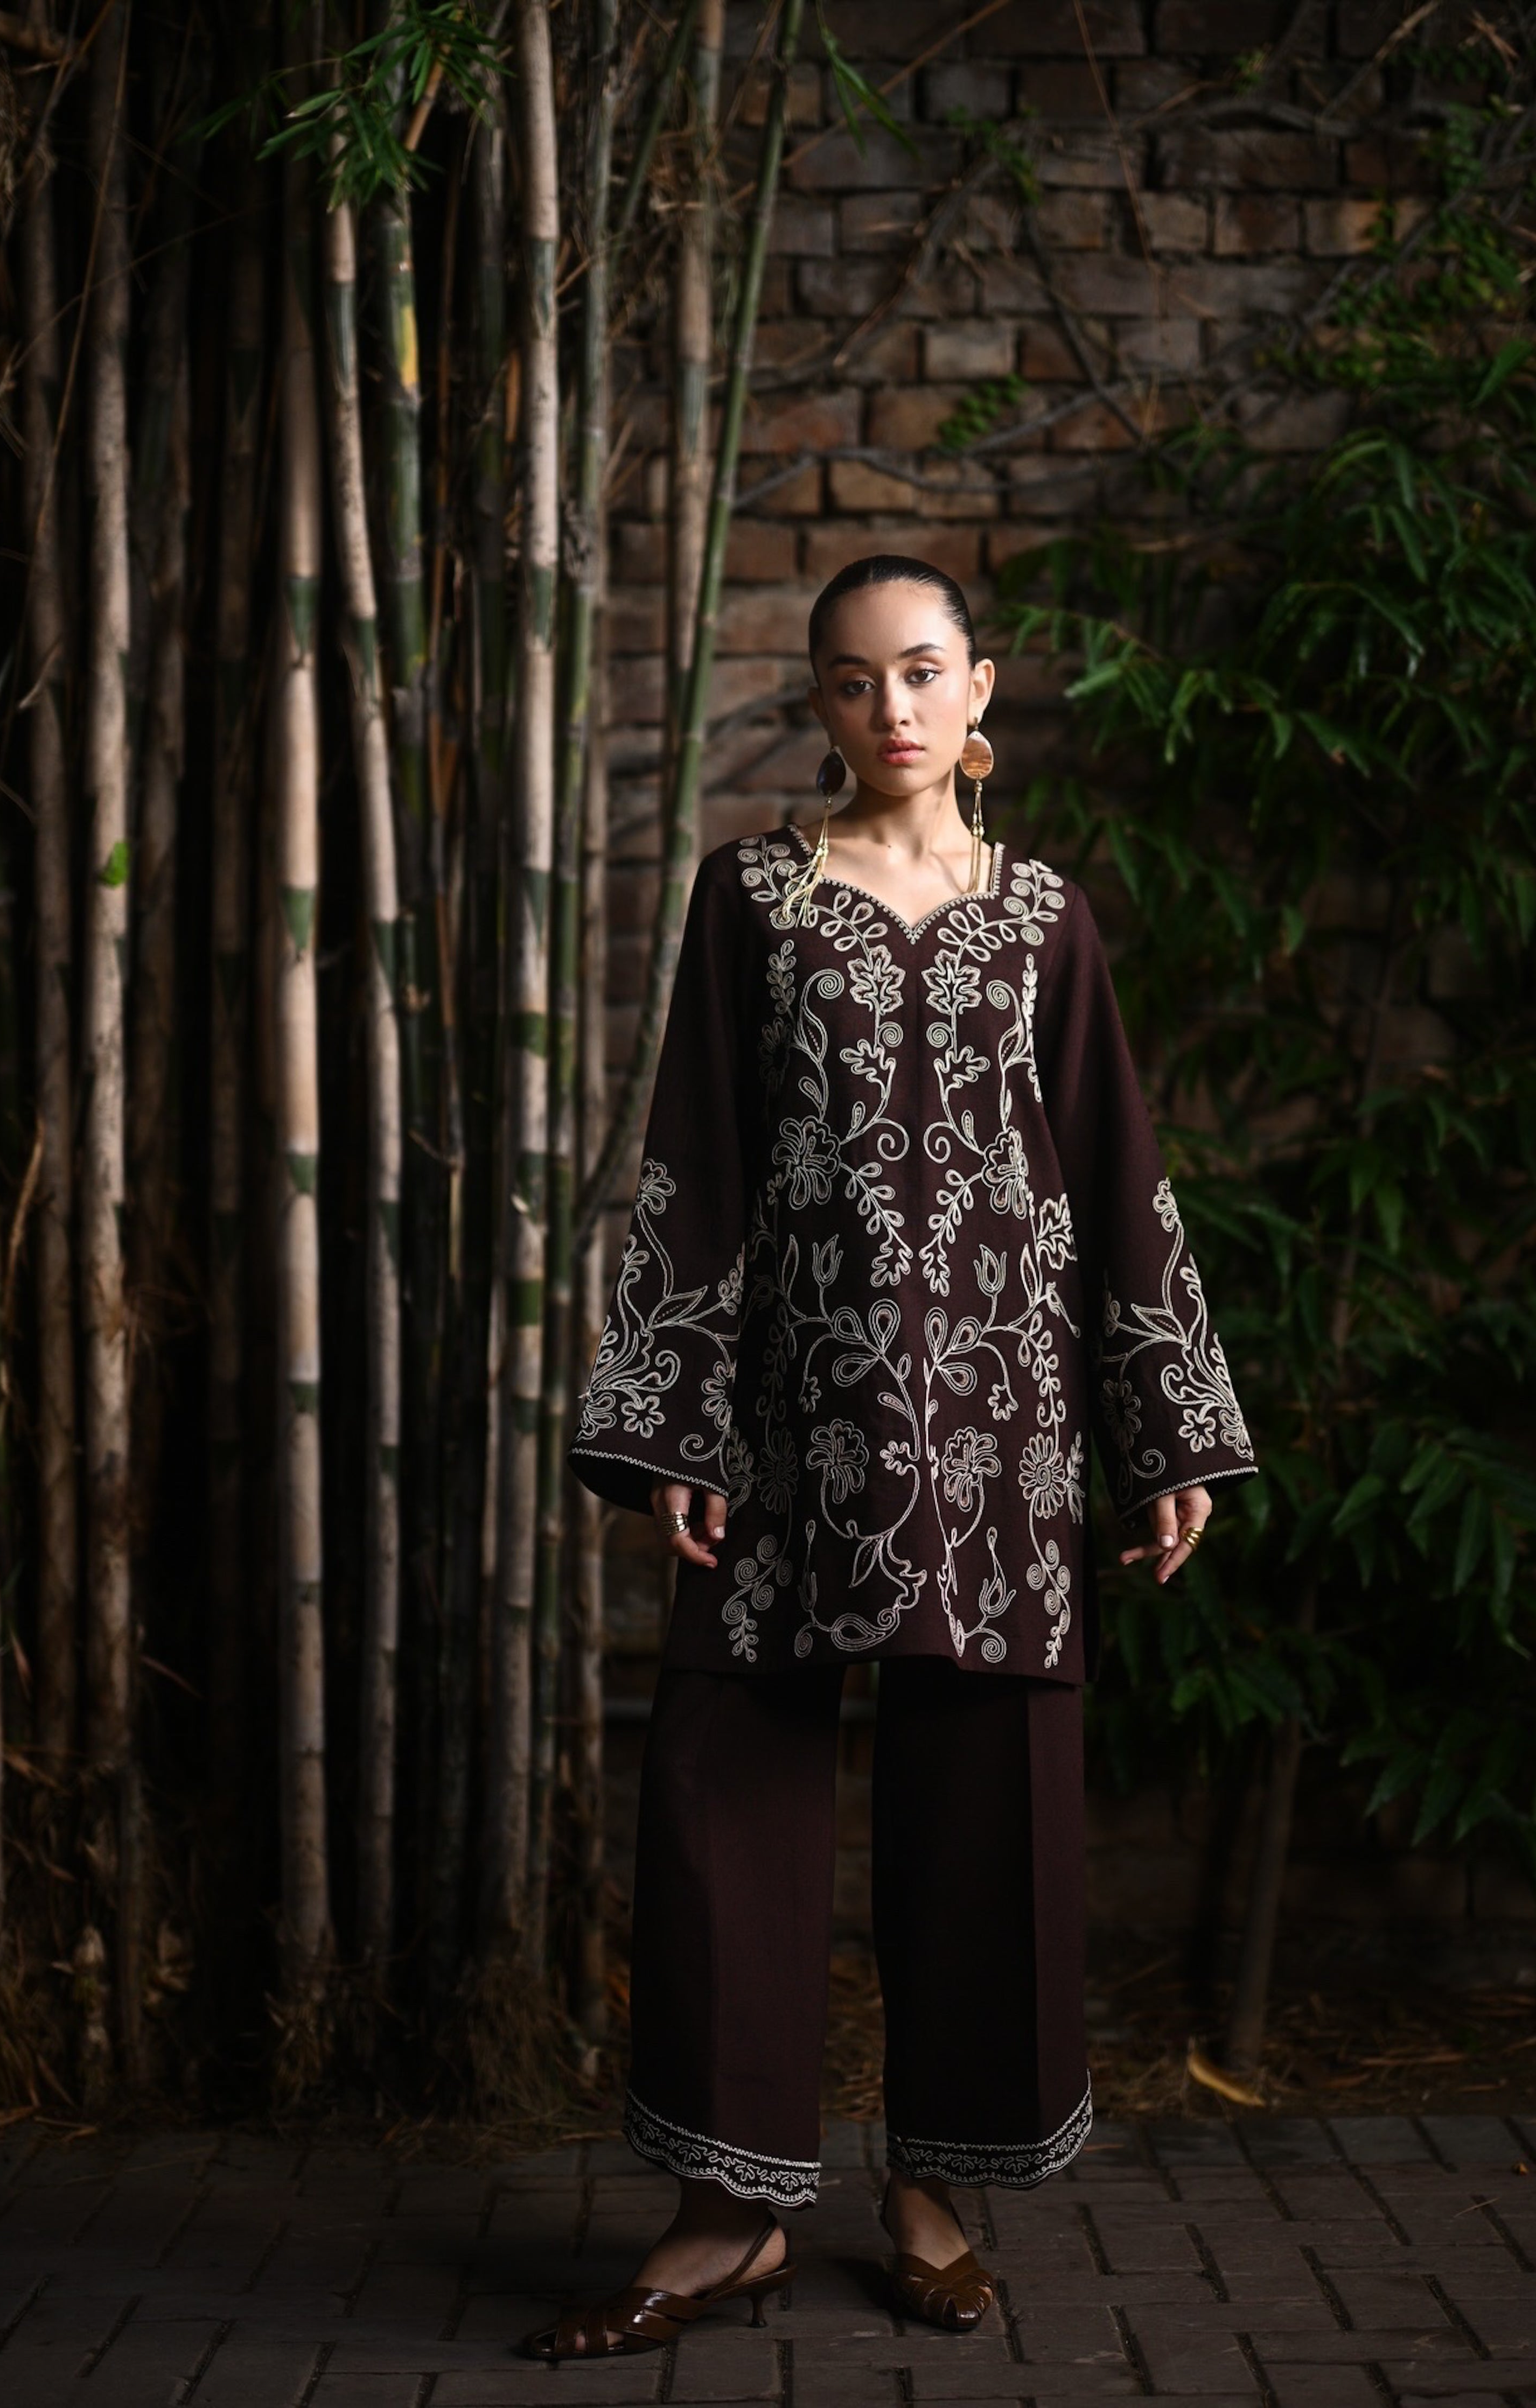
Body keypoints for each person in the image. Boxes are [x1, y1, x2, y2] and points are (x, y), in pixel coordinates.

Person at [527, 554, 1255, 2363]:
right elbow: (694, 1159)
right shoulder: (753, 898)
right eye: (854, 681)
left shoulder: (1045, 917)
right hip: (789, 1413)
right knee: (725, 1786)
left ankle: (936, 2193)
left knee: (987, 1795)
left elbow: (1115, 1174)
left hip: (1001, 1421)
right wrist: (677, 1412)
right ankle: (730, 2215)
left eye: (922, 672)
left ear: (978, 690)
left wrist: (1163, 1426)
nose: (893, 709)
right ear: (821, 704)